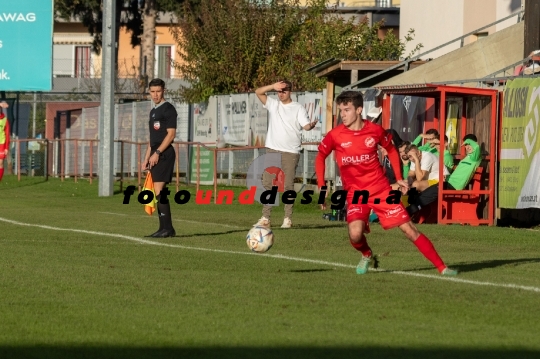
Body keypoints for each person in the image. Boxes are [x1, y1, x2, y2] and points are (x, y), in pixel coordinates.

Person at [315, 91, 457, 276]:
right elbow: (320, 157)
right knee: (355, 234)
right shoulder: (335, 135)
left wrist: (398, 177)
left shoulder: (375, 131)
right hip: (356, 193)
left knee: (409, 229)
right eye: (340, 110)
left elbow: (391, 149)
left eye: (347, 110)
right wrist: (321, 185)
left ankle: (442, 268)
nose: (342, 114)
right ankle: (367, 254)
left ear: (359, 110)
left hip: (381, 190)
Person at [253, 80, 317, 228]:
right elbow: (258, 91)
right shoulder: (274, 105)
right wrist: (272, 86)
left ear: (290, 92)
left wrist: (310, 125)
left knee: (288, 185)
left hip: (291, 151)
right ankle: (265, 217)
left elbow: (305, 126)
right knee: (268, 183)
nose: (281, 94)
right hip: (273, 149)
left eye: (284, 91)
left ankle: (287, 218)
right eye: (279, 91)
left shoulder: (297, 108)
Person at [406, 134, 481, 215]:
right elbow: (419, 149)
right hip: (448, 182)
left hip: (454, 186)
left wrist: (467, 142)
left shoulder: (475, 158)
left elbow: (477, 147)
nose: (468, 146)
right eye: (466, 144)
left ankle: (411, 210)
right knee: (426, 192)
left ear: (475, 143)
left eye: (470, 144)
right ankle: (413, 210)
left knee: (431, 192)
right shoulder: (468, 157)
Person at [141, 78, 178, 238]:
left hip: (164, 153)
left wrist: (157, 153)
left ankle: (167, 228)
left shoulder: (168, 109)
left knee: (159, 190)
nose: (155, 95)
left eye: (158, 91)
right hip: (155, 154)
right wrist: (146, 157)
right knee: (157, 191)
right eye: (152, 92)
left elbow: (171, 134)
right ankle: (164, 228)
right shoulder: (153, 111)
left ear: (164, 91)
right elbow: (152, 139)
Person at [0, 101, 10, 182]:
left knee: (0, 163)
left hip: (1, 143)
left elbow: (7, 134)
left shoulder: (4, 120)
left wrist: (6, 147)